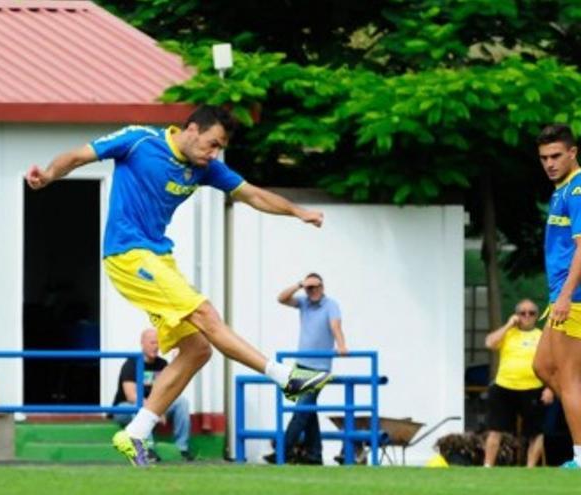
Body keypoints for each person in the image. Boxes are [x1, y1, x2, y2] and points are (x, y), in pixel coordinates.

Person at [26, 105, 333, 466]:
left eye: (219, 148)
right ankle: (286, 379)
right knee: (205, 313)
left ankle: (136, 432)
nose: (214, 153)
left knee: (198, 349)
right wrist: (48, 176)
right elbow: (78, 156)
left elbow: (253, 194)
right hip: (128, 255)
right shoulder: (139, 141)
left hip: (158, 257)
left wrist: (299, 212)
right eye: (212, 144)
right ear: (190, 129)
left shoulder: (205, 168)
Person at [531, 124, 581, 469]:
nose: (549, 163)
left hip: (578, 297)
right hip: (565, 296)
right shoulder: (562, 190)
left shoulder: (578, 191)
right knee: (541, 366)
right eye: (544, 158)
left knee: (568, 378)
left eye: (555, 156)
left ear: (572, 153)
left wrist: (565, 296)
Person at [264, 273, 348, 464]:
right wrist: (300, 284)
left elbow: (336, 326)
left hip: (320, 368)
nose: (313, 291)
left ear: (323, 287)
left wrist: (342, 345)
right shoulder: (304, 303)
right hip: (301, 365)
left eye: (316, 287)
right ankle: (314, 454)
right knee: (307, 411)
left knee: (301, 411)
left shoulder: (331, 305)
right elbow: (281, 298)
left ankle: (282, 451)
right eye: (309, 288)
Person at [483, 299, 553, 468]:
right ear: (516, 315)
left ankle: (530, 469)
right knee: (495, 429)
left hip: (533, 388)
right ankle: (487, 466)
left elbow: (553, 364)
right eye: (522, 313)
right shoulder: (508, 333)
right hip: (504, 386)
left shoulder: (542, 336)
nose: (527, 316)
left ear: (537, 316)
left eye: (531, 313)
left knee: (536, 432)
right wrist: (508, 325)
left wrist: (550, 388)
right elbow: (490, 343)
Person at [113, 328, 193, 462]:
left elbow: (169, 390)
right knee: (138, 407)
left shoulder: (162, 364)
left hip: (154, 406)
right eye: (152, 343)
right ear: (142, 343)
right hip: (125, 408)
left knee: (182, 402)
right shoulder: (131, 363)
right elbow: (131, 395)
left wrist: (158, 408)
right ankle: (147, 449)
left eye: (158, 343)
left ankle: (182, 448)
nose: (156, 347)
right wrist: (155, 410)